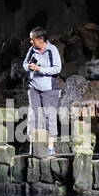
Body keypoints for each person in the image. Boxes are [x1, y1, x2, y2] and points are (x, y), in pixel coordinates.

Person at [23, 28, 62, 156]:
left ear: (41, 39)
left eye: (32, 39)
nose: (30, 42)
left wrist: (39, 69)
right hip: (34, 87)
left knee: (49, 117)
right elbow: (24, 63)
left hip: (49, 88)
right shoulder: (32, 50)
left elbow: (57, 69)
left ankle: (50, 147)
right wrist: (28, 66)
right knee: (33, 116)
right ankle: (33, 146)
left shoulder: (52, 50)